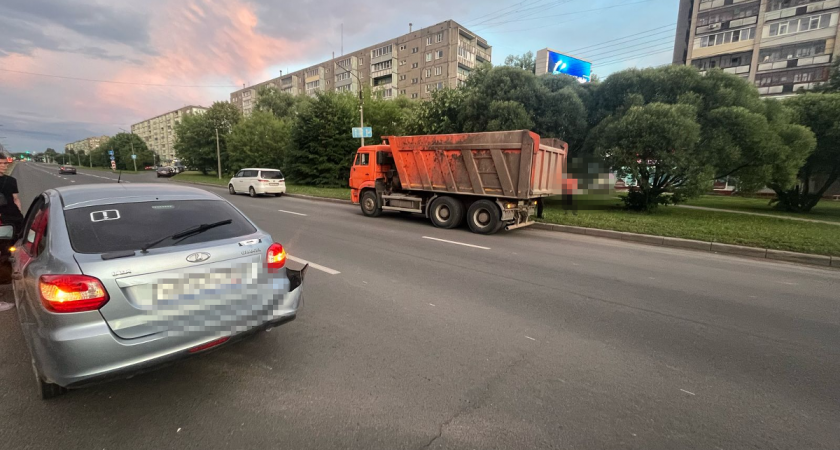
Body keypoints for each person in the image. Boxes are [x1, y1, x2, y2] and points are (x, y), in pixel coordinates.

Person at [0, 159, 21, 312]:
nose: (4, 166)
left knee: (7, 251)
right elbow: (15, 200)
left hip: (9, 222)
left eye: (5, 164)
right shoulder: (10, 181)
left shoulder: (10, 180)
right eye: (1, 163)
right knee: (9, 250)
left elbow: (16, 200)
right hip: (9, 222)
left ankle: (6, 276)